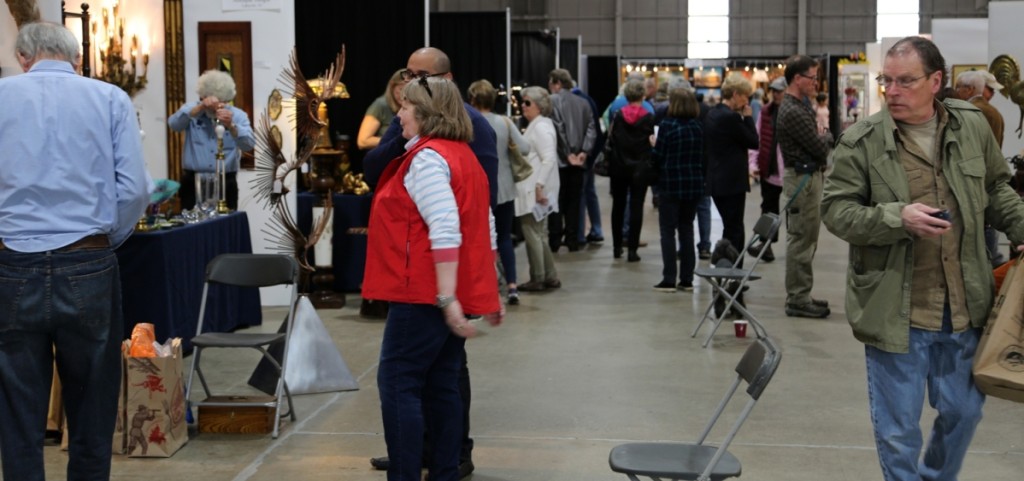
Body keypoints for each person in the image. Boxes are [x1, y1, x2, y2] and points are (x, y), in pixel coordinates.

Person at [822, 36, 1024, 481]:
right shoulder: (861, 142)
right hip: (897, 309)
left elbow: (995, 189)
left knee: (964, 412)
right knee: (898, 432)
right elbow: (836, 212)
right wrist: (898, 217)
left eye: (905, 81)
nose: (892, 91)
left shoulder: (971, 125)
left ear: (935, 81)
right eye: (886, 81)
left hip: (965, 303)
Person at [0, 22, 149, 481]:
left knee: (17, 410)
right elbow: (135, 190)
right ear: (77, 59)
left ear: (24, 58)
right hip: (88, 260)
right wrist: (105, 238)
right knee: (92, 407)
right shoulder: (108, 99)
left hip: (13, 262)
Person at [362, 46, 498, 479]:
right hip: (440, 292)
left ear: (425, 113)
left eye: (405, 108)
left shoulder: (427, 159)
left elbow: (445, 229)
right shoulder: (463, 156)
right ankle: (442, 469)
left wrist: (446, 297)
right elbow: (486, 226)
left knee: (399, 384)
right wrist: (483, 290)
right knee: (441, 386)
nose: (397, 115)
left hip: (421, 292)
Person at [775, 55, 832, 319]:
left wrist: (822, 136)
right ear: (797, 78)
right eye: (812, 77)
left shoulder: (800, 105)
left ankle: (802, 293)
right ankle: (797, 298)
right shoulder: (794, 110)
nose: (816, 83)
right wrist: (825, 136)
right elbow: (820, 146)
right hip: (802, 181)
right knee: (801, 240)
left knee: (807, 239)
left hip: (807, 179)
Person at [467, 79, 529, 304]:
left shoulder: (467, 122)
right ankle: (512, 286)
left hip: (475, 191)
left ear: (473, 99)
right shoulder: (504, 122)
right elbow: (525, 148)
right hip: (504, 189)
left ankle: (485, 287)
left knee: (477, 239)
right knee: (503, 238)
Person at [168, 69, 254, 211]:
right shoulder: (192, 110)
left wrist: (231, 126)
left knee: (226, 228)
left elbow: (248, 145)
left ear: (227, 100)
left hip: (225, 181)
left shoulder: (238, 115)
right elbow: (173, 124)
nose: (216, 108)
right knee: (191, 228)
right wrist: (199, 108)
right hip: (193, 182)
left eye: (221, 102)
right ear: (202, 97)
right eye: (211, 103)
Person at [652, 87, 704, 291]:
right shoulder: (698, 127)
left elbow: (658, 156)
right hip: (693, 184)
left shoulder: (667, 125)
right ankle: (687, 279)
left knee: (667, 231)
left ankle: (669, 278)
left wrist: (653, 145)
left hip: (671, 184)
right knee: (687, 229)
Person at [703, 73, 759, 262]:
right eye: (745, 96)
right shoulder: (731, 118)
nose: (746, 101)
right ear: (735, 94)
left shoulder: (712, 113)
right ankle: (733, 277)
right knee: (735, 231)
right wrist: (748, 118)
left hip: (717, 181)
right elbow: (754, 141)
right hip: (731, 183)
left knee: (730, 228)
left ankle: (725, 274)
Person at [956, 70, 1007, 266]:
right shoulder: (994, 114)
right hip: (986, 185)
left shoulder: (969, 112)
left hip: (974, 185)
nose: (992, 95)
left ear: (970, 89)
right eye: (990, 90)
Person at [514, 87, 562, 293]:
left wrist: (539, 186)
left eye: (527, 103)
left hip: (536, 188)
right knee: (539, 233)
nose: (523, 107)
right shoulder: (540, 125)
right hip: (537, 187)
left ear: (539, 106)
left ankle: (539, 277)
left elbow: (549, 158)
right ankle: (548, 275)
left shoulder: (540, 127)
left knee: (533, 232)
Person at [547, 68, 596, 253]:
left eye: (551, 84)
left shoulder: (552, 101)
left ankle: (554, 241)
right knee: (574, 201)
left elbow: (558, 128)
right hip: (579, 162)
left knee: (556, 201)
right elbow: (592, 127)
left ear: (557, 83)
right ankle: (573, 240)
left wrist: (567, 153)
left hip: (559, 161)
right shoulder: (584, 103)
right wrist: (584, 151)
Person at [606, 79, 655, 262]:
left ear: (626, 95)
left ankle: (617, 247)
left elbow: (611, 139)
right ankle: (632, 250)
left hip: (618, 166)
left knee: (617, 206)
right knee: (636, 207)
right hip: (640, 168)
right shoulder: (649, 117)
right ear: (643, 95)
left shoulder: (618, 115)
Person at [747, 76, 788, 262]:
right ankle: (766, 245)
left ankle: (795, 249)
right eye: (774, 91)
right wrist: (753, 164)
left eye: (780, 90)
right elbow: (757, 140)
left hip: (790, 172)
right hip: (769, 171)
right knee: (768, 210)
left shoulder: (796, 112)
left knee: (794, 214)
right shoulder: (765, 112)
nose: (776, 94)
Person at [357, 69, 404, 150]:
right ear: (392, 87)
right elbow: (362, 141)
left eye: (408, 91)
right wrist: (396, 141)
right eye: (401, 89)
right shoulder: (381, 105)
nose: (404, 95)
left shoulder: (414, 108)